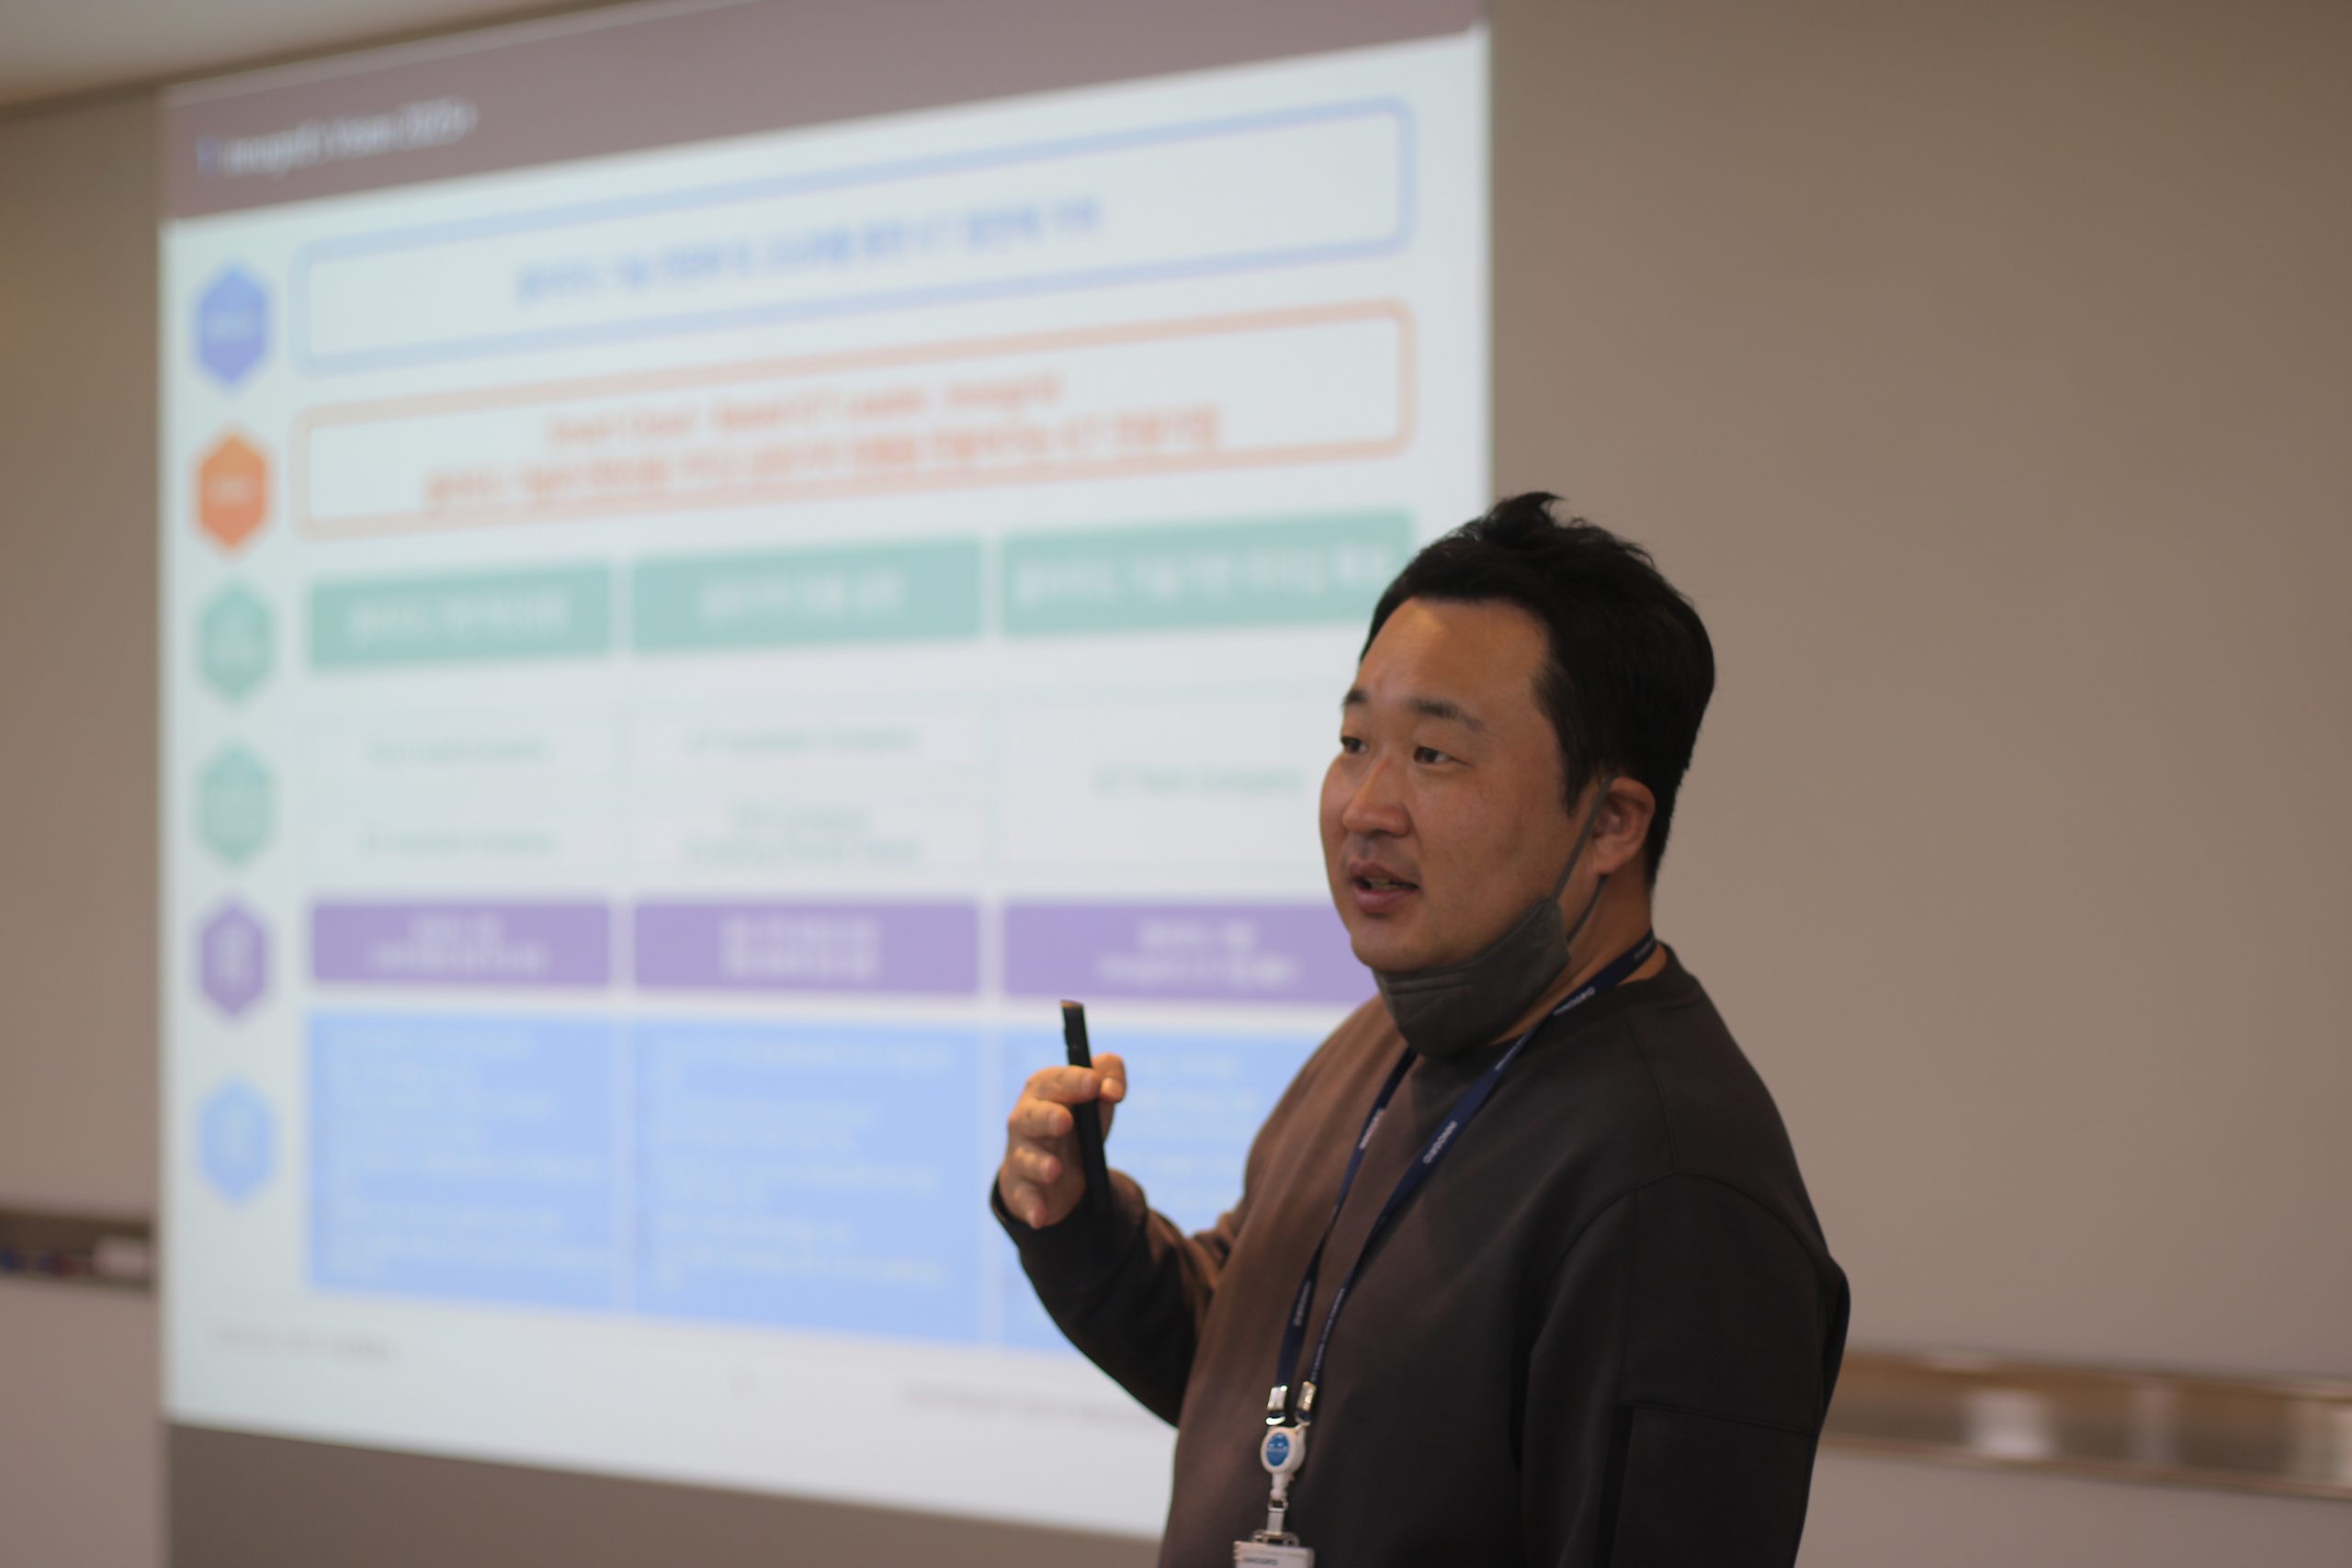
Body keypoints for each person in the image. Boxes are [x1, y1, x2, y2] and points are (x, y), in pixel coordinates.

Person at [994, 494, 1849, 1566]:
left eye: (1435, 755)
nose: (1365, 806)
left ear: (1610, 822)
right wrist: (1082, 1227)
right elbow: (1253, 1378)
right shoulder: (1384, 1037)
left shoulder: (1673, 1185)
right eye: (1354, 742)